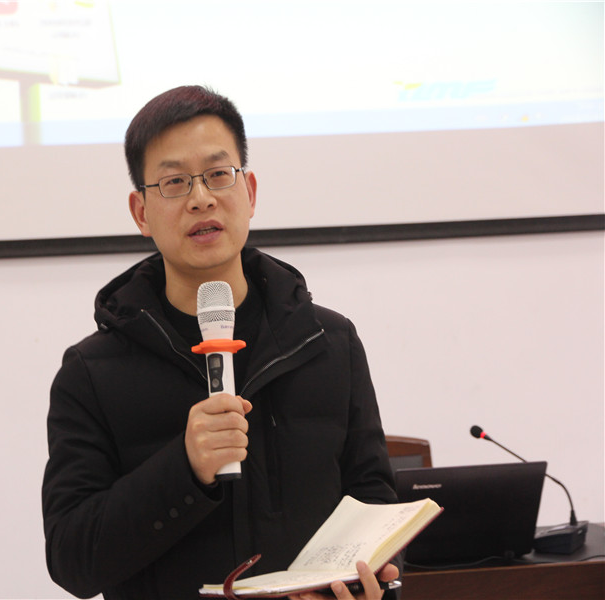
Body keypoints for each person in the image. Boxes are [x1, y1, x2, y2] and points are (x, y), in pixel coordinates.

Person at [42, 85, 401, 600]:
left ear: (249, 192)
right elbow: (72, 561)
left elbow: (374, 505)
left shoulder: (329, 342)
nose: (201, 198)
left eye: (217, 174)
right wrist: (185, 468)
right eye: (174, 182)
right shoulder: (91, 372)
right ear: (140, 212)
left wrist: (369, 581)